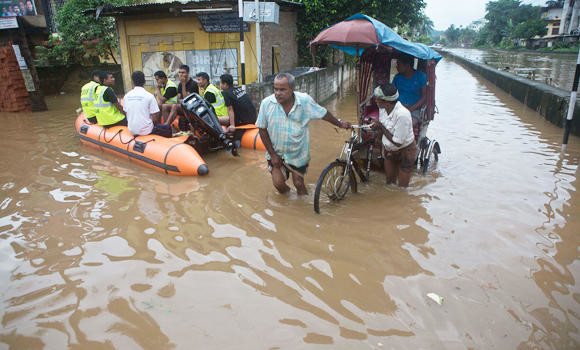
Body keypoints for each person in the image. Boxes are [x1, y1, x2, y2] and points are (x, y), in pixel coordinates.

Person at [256, 73, 350, 195]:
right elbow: (262, 129)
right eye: (275, 89)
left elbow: (323, 113)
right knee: (278, 184)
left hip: (298, 153)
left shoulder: (304, 101)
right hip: (276, 152)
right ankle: (289, 203)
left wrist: (339, 124)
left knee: (299, 183)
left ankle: (303, 206)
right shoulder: (266, 104)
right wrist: (273, 154)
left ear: (292, 88)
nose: (278, 93)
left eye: (282, 89)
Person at [371, 83, 417, 187]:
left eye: (378, 99)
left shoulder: (402, 115)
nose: (376, 100)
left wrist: (380, 127)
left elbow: (397, 142)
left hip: (405, 151)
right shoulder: (383, 108)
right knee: (390, 184)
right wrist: (378, 138)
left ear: (387, 102)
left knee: (402, 188)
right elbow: (383, 125)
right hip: (389, 151)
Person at [124, 71, 172, 137]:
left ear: (132, 82)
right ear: (145, 81)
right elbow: (154, 118)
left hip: (132, 130)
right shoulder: (149, 96)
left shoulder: (126, 96)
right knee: (167, 128)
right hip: (146, 131)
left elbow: (126, 112)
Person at [392, 54, 426, 131]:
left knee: (405, 125)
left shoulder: (421, 77)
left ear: (407, 66)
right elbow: (392, 93)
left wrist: (411, 109)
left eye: (398, 65)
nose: (396, 67)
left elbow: (424, 97)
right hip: (399, 108)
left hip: (415, 110)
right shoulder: (397, 77)